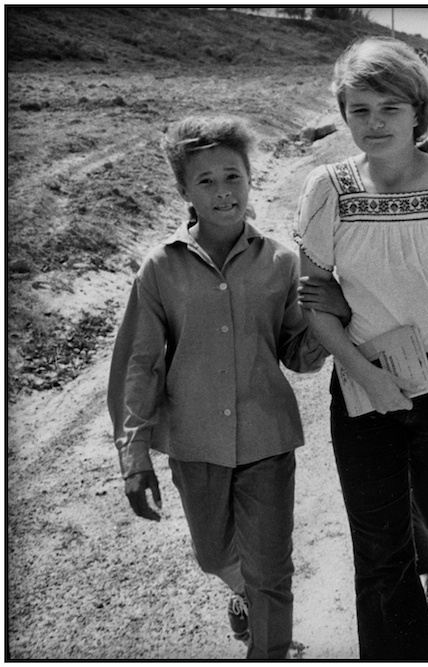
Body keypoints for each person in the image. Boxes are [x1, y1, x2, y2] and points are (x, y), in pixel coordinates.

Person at [295, 37, 428, 659]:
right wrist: (366, 374)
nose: (374, 123)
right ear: (344, 115)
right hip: (364, 379)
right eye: (359, 110)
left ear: (419, 110)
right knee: (379, 546)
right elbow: (315, 297)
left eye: (389, 108)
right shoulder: (326, 189)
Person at [107, 116, 329, 659]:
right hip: (195, 441)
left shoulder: (281, 261)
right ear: (184, 190)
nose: (223, 191)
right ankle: (242, 591)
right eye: (205, 181)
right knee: (212, 556)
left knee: (272, 569)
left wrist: (329, 323)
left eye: (233, 176)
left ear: (250, 179)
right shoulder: (160, 268)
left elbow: (298, 353)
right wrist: (134, 458)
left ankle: (269, 646)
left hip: (267, 439)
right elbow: (139, 365)